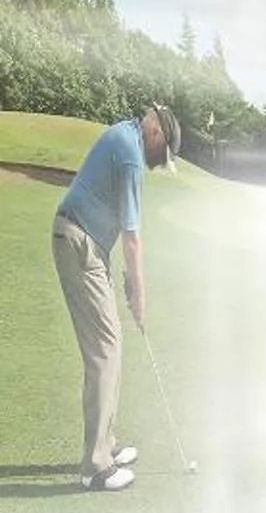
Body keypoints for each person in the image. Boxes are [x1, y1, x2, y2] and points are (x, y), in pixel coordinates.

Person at [50, 103, 175, 491]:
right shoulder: (133, 157)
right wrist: (139, 294)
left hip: (85, 243)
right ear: (155, 135)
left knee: (110, 345)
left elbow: (118, 224)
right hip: (80, 243)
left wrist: (122, 276)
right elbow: (133, 238)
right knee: (105, 350)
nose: (158, 163)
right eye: (162, 153)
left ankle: (107, 442)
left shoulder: (125, 134)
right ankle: (95, 467)